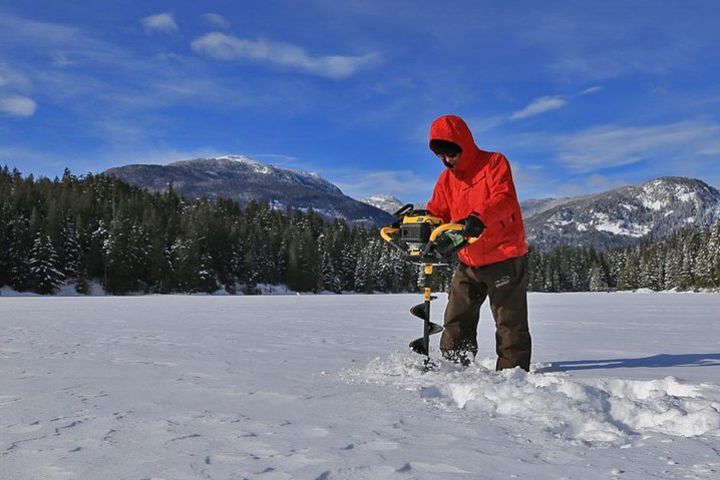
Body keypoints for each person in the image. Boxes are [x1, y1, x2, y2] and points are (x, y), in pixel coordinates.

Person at [425, 114, 531, 371]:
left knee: (509, 322)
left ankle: (512, 377)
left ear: (464, 143)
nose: (446, 160)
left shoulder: (494, 163)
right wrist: (425, 223)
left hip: (504, 255)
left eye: (451, 153)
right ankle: (455, 368)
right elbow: (438, 211)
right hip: (469, 259)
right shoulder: (446, 180)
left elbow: (504, 199)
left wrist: (479, 218)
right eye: (441, 155)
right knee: (456, 318)